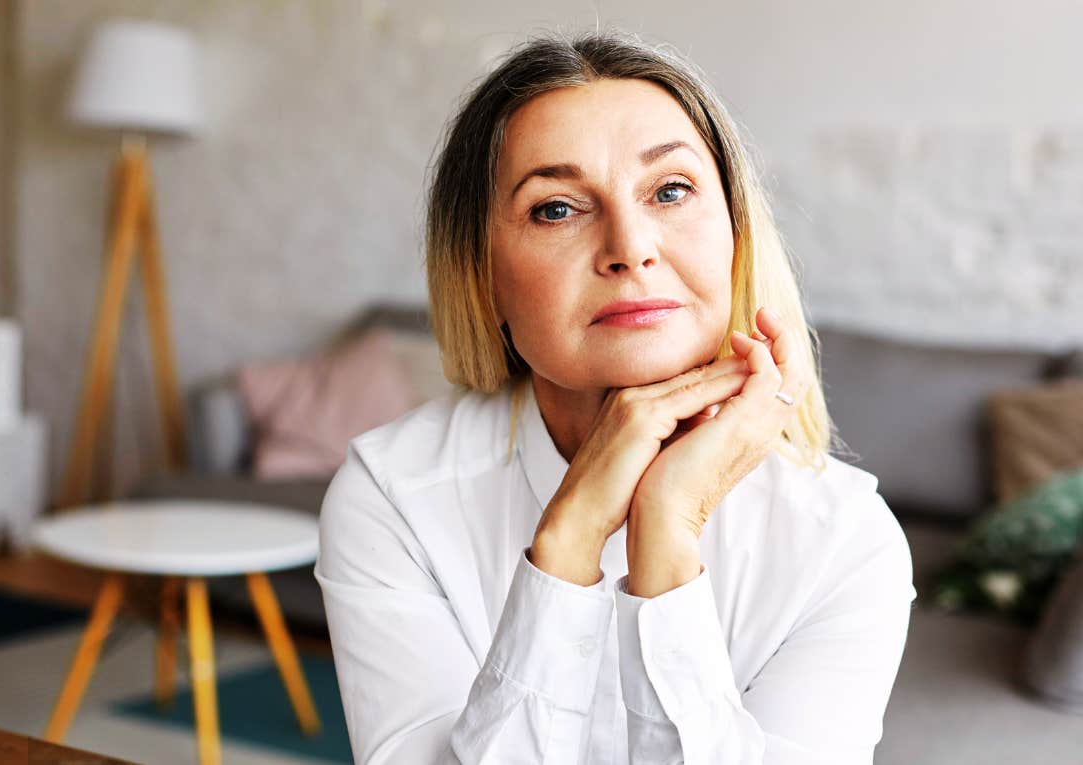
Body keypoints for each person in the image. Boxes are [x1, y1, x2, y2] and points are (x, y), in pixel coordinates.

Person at [314, 28, 916, 764]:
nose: (630, 246)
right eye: (557, 208)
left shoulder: (845, 541)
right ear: (482, 275)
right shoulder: (393, 495)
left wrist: (667, 525)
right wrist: (566, 543)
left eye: (670, 191)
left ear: (736, 236)